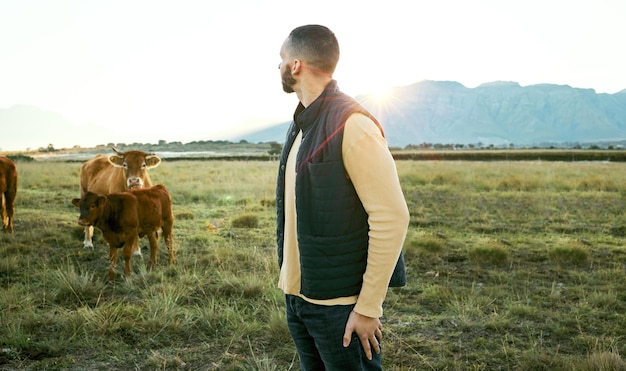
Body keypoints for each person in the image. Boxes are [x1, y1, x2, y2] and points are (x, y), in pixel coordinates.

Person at [275, 24, 410, 370]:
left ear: (296, 65)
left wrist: (368, 307)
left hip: (341, 307)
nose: (278, 66)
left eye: (282, 59)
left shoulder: (353, 124)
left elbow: (392, 217)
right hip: (299, 300)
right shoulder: (301, 123)